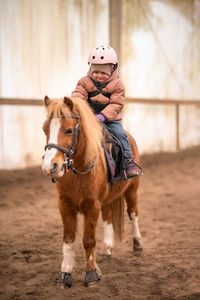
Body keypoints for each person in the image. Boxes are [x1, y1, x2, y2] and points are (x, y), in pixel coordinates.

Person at [71, 45, 138, 178]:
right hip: (89, 118)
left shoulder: (118, 84)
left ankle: (129, 161)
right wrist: (84, 113)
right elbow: (78, 97)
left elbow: (116, 103)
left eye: (103, 72)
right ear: (90, 69)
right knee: (72, 133)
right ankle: (68, 160)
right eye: (96, 72)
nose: (99, 76)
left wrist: (103, 116)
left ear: (112, 70)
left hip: (110, 119)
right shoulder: (84, 82)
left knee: (121, 135)